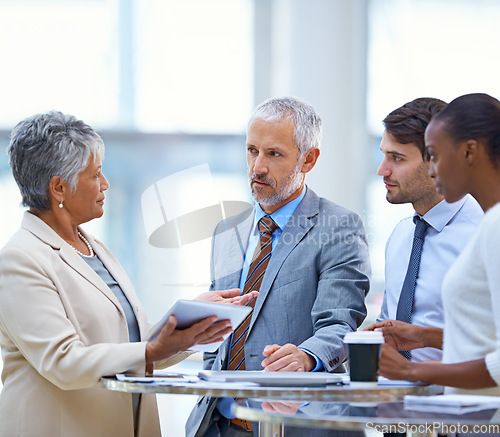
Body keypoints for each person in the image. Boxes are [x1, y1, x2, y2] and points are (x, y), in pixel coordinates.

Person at [0, 111, 258, 437]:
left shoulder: (93, 248)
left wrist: (190, 321)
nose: (105, 184)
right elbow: (62, 362)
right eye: (95, 175)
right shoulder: (20, 259)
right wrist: (152, 351)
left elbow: (127, 344)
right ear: (59, 187)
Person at [186, 96, 371, 436]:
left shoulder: (339, 226)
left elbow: (341, 324)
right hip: (217, 425)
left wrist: (306, 356)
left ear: (308, 159)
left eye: (273, 154)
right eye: (251, 150)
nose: (257, 167)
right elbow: (219, 334)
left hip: (293, 425)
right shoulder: (227, 232)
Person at [373, 93, 500, 395]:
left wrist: (410, 369)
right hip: (437, 415)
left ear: (469, 152)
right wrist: (424, 336)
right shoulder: (402, 235)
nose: (433, 168)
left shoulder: (488, 225)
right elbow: (477, 334)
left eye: (435, 155)